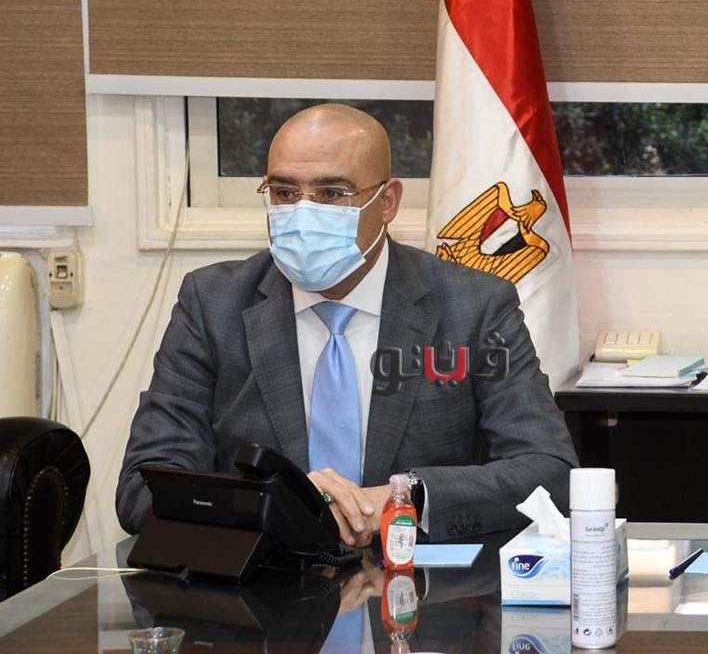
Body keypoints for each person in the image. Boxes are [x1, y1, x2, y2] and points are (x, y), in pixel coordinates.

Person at [117, 103, 578, 545]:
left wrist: (402, 499)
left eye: (332, 194)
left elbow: (549, 470)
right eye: (284, 193)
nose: (302, 213)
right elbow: (143, 486)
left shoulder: (473, 307)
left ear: (387, 202)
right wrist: (281, 506)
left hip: (418, 581)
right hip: (264, 580)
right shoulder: (212, 303)